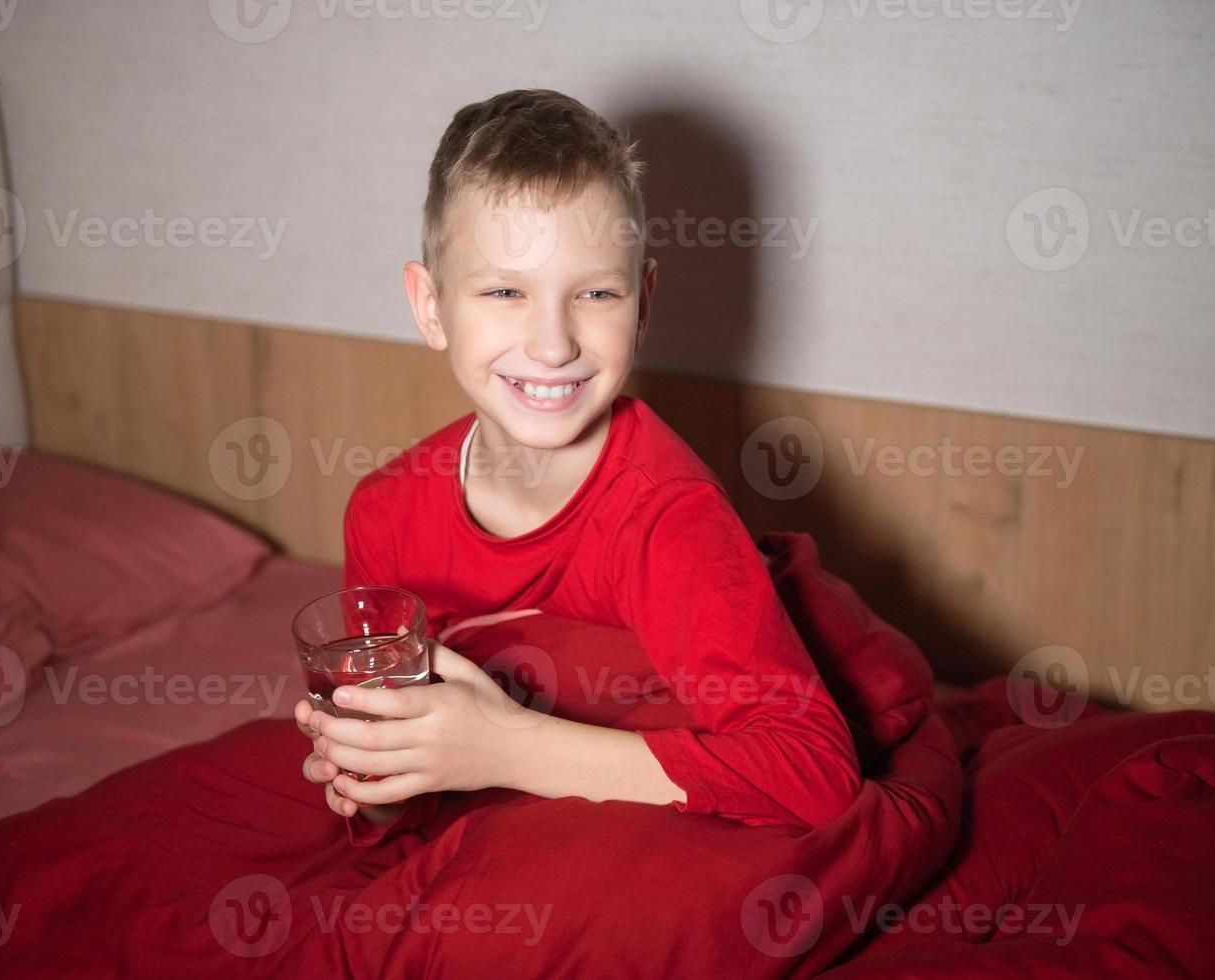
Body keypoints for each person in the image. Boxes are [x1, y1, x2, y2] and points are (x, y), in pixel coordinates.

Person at [293, 88, 861, 846]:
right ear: (430, 307)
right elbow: (413, 794)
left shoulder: (667, 513)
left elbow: (815, 773)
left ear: (643, 303)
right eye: (505, 292)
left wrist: (507, 744)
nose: (554, 343)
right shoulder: (384, 512)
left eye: (595, 292)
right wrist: (381, 775)